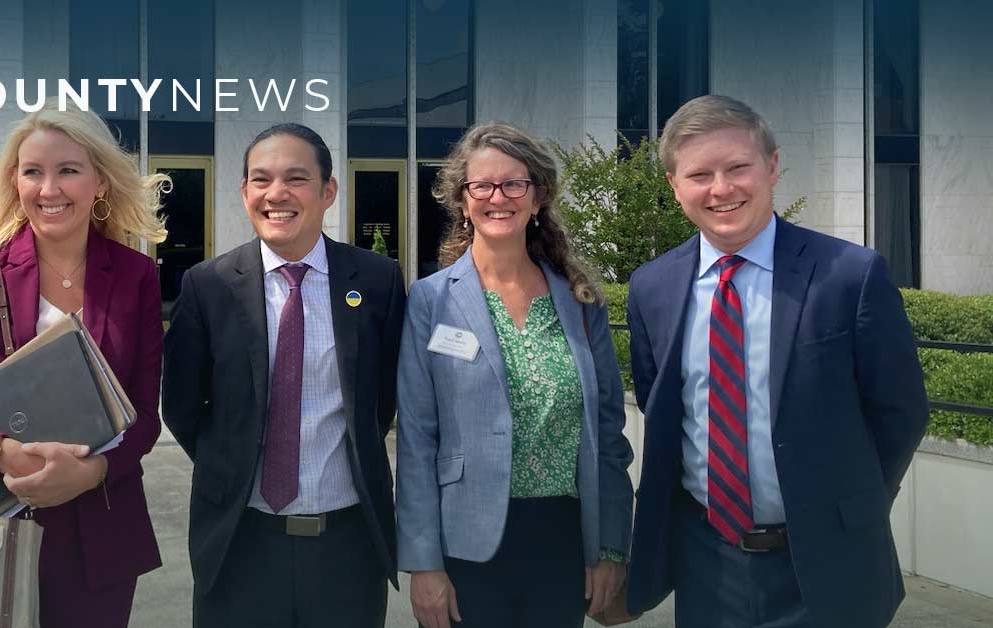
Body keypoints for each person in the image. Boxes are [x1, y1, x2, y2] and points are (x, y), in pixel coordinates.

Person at [624, 95, 929, 628]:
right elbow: (664, 408)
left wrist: (848, 510)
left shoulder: (850, 276)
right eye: (699, 174)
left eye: (737, 167)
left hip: (827, 568)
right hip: (706, 564)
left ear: (771, 166)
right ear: (675, 186)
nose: (721, 189)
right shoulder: (651, 288)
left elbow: (899, 413)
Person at [0, 103, 170, 627]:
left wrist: (91, 472)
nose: (49, 189)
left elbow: (142, 419)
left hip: (97, 538)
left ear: (100, 184)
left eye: (68, 170)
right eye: (32, 171)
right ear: (14, 181)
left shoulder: (135, 276)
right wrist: (1, 453)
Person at [162, 123, 406, 628]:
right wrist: (231, 461)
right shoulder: (207, 285)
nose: (277, 194)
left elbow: (382, 400)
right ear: (245, 191)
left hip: (348, 546)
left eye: (296, 178)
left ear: (328, 191)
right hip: (238, 542)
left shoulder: (378, 280)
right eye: (260, 180)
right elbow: (183, 407)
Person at [396, 122, 634, 628]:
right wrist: (423, 561)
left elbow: (610, 435)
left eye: (513, 184)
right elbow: (417, 439)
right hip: (466, 545)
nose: (496, 197)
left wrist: (611, 544)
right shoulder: (431, 299)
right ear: (462, 200)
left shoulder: (579, 299)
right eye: (481, 185)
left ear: (537, 195)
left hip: (565, 542)